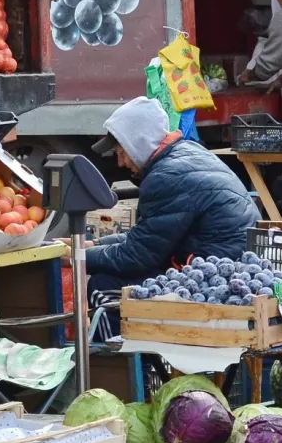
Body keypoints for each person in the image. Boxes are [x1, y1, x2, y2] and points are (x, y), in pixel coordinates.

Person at [86, 97, 259, 296]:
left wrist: (76, 258)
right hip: (230, 259)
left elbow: (137, 257)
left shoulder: (165, 177)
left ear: (138, 144)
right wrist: (92, 245)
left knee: (102, 285)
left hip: (215, 276)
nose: (120, 163)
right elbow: (150, 236)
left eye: (121, 153)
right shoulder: (187, 152)